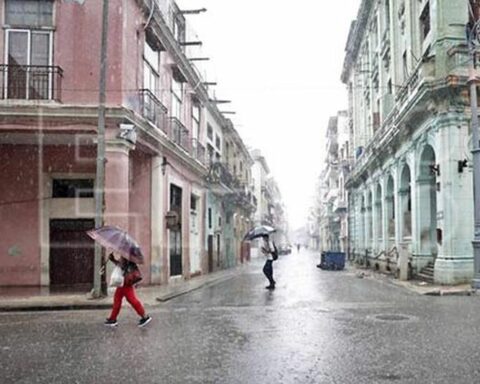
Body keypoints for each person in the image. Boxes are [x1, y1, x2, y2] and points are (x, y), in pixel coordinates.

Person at [104, 253, 152, 328]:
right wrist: (113, 259)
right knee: (118, 299)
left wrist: (113, 260)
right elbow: (122, 266)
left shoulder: (127, 255)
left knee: (131, 300)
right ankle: (112, 319)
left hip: (126, 282)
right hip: (125, 281)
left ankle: (145, 317)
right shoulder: (126, 254)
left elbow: (122, 266)